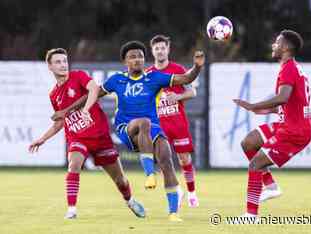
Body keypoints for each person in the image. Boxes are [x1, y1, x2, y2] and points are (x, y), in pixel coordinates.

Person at [51, 41, 205, 221]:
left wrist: (197, 67)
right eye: (132, 57)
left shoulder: (154, 78)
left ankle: (173, 213)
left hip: (151, 128)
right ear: (125, 62)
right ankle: (149, 174)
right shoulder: (117, 80)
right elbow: (90, 95)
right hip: (126, 128)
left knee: (166, 159)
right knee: (143, 122)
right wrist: (66, 110)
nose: (137, 60)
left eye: (140, 56)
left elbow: (186, 79)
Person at [29, 48, 145, 219]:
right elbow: (61, 120)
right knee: (74, 164)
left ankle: (129, 200)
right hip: (77, 138)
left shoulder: (78, 76)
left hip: (100, 137)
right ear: (50, 67)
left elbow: (95, 89)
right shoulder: (53, 94)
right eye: (58, 62)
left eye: (64, 61)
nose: (63, 65)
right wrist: (42, 139)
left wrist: (86, 109)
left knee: (120, 180)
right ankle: (71, 210)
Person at [233, 30, 311, 221]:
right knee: (249, 142)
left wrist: (253, 106)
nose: (273, 45)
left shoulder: (289, 69)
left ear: (286, 47)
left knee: (255, 164)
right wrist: (268, 111)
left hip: (295, 132)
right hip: (288, 124)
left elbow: (282, 97)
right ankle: (271, 187)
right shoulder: (290, 68)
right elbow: (293, 103)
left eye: (277, 42)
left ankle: (251, 215)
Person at [142, 34, 199, 208]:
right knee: (163, 160)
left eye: (163, 47)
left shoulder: (178, 69)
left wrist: (178, 96)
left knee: (184, 159)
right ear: (153, 51)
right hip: (159, 125)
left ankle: (191, 193)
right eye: (157, 48)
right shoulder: (148, 74)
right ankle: (177, 190)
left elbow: (192, 92)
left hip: (178, 123)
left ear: (168, 49)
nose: (160, 51)